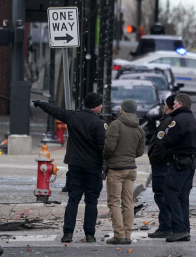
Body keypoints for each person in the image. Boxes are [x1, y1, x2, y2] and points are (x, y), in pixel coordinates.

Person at [33, 92, 107, 243]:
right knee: (91, 201)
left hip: (75, 165)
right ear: (96, 106)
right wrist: (106, 165)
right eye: (101, 104)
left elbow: (55, 110)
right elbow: (103, 147)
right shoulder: (99, 124)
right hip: (93, 167)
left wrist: (41, 104)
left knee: (73, 199)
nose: (102, 106)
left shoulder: (74, 117)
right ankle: (89, 234)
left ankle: (68, 233)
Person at [159, 94, 196, 242]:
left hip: (178, 163)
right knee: (183, 197)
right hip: (190, 163)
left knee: (171, 194)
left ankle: (178, 229)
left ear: (180, 104)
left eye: (175, 103)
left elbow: (168, 140)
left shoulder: (177, 121)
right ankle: (185, 229)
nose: (173, 105)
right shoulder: (194, 121)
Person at [103, 98, 145, 245]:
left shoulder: (116, 125)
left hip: (116, 169)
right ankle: (127, 235)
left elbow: (109, 147)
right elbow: (140, 151)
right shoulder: (139, 128)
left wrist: (106, 157)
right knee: (128, 203)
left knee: (114, 202)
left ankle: (118, 235)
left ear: (123, 109)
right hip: (131, 169)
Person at [146, 94, 176, 238]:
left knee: (161, 197)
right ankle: (169, 225)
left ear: (168, 105)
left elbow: (160, 144)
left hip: (162, 165)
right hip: (167, 164)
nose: (163, 106)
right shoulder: (172, 120)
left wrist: (154, 158)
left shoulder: (167, 122)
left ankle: (165, 227)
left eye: (165, 103)